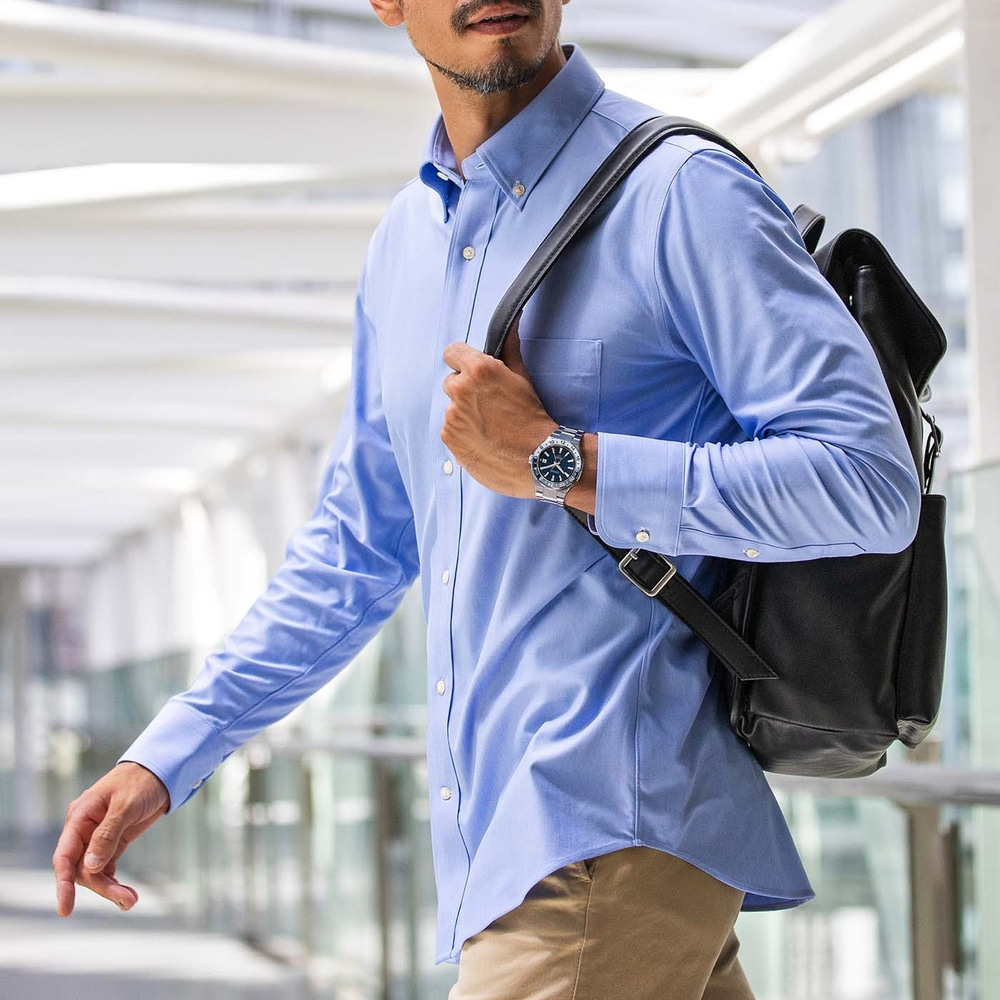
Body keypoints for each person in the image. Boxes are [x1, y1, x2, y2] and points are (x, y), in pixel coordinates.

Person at [53, 2, 922, 997]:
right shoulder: (404, 245)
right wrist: (171, 753)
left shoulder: (679, 191)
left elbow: (866, 482)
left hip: (608, 824)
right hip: (518, 844)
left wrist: (558, 461)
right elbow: (357, 549)